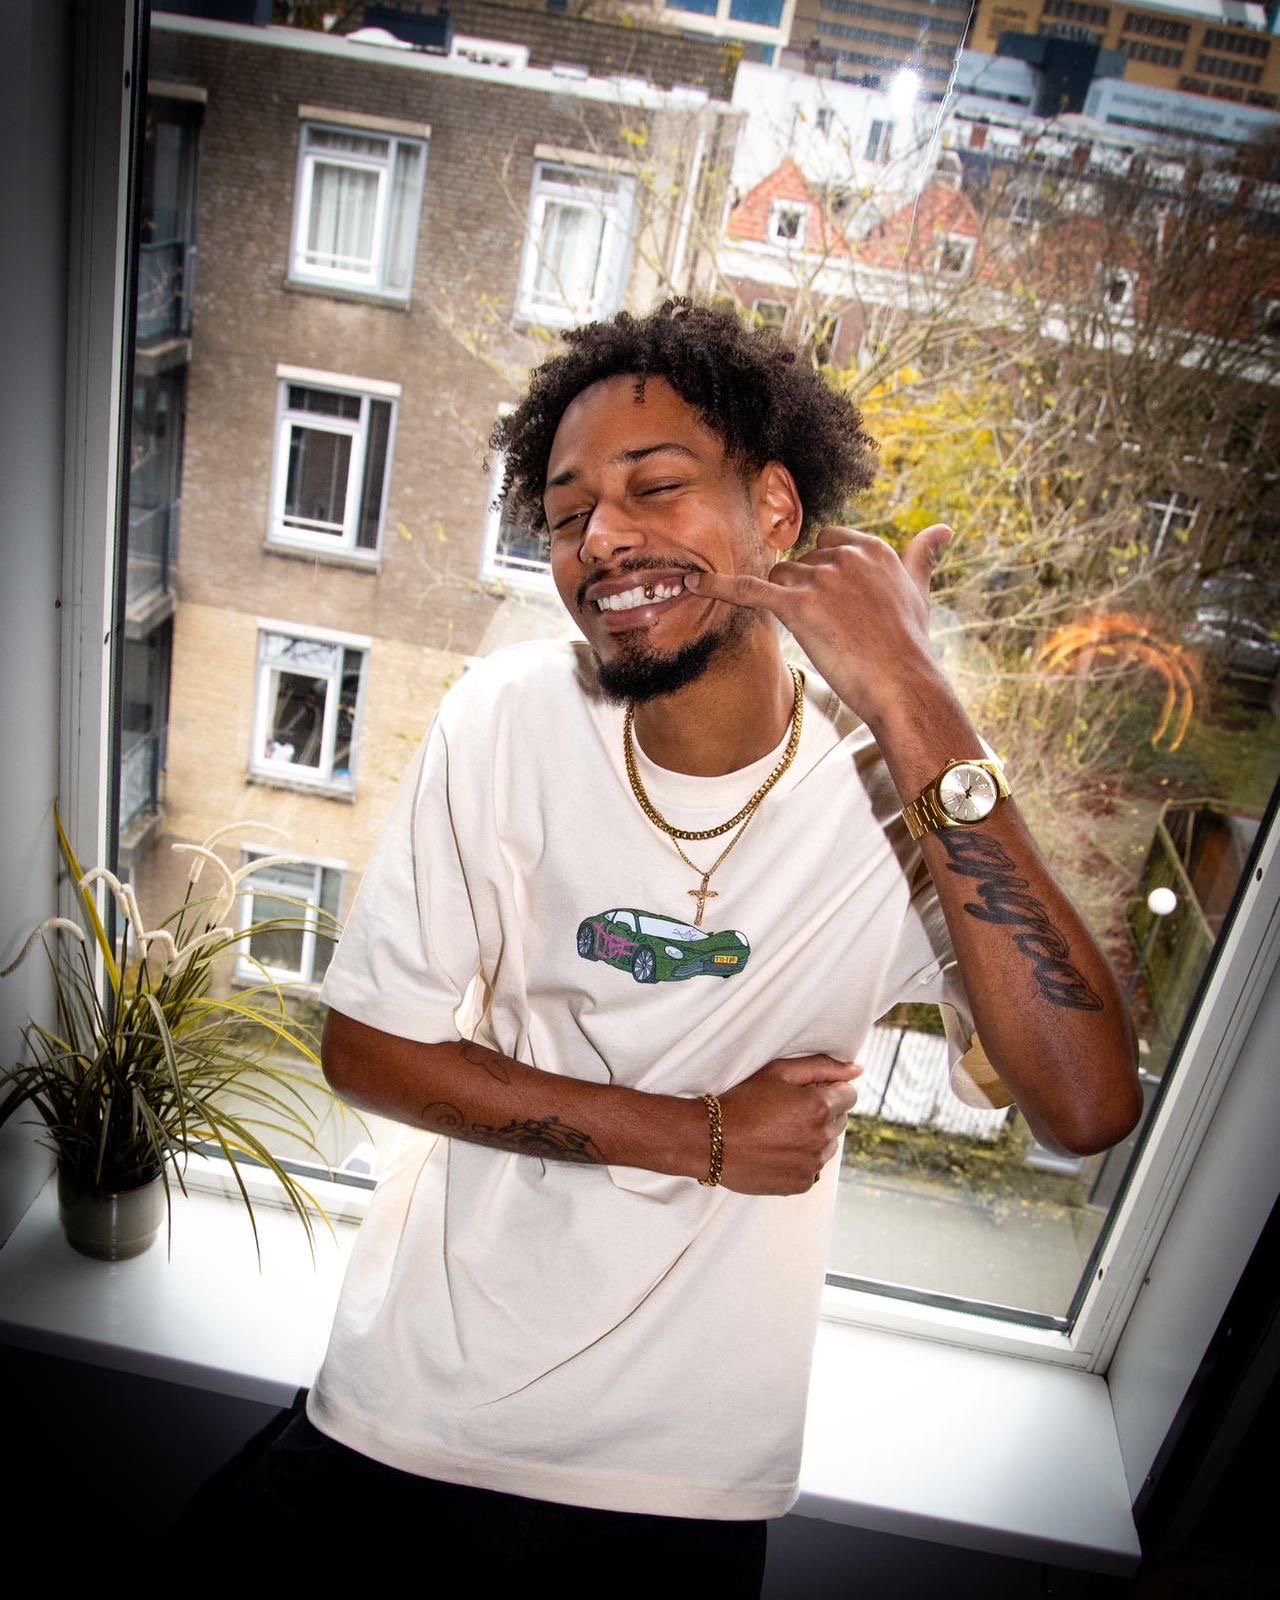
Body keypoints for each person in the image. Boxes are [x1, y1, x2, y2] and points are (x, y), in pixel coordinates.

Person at [187, 300, 1140, 1589]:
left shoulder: (901, 794)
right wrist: (705, 1137)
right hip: (411, 1406)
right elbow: (367, 1053)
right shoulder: (508, 718)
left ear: (778, 512)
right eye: (568, 513)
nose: (602, 539)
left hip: (675, 1481)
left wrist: (914, 693)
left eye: (657, 486)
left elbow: (1086, 1105)